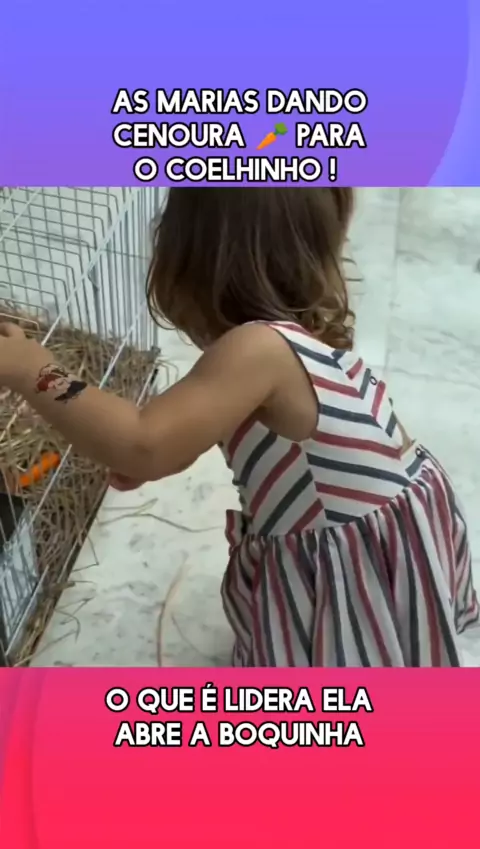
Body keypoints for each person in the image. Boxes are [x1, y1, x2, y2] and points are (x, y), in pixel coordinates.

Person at [0, 188, 477, 667]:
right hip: (386, 526)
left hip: (354, 560)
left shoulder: (257, 348)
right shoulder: (285, 340)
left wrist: (31, 369)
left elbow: (143, 442)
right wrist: (169, 448)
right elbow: (201, 435)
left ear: (194, 262)